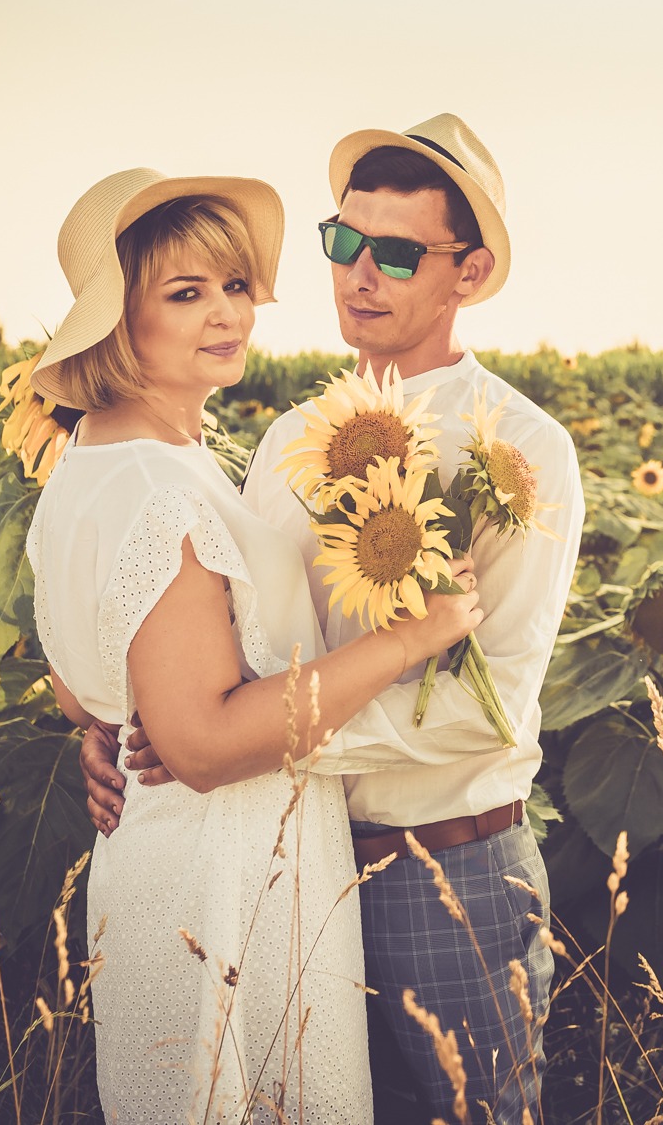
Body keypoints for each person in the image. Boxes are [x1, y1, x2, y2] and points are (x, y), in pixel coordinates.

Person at [81, 117, 584, 1123]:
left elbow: (489, 707)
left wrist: (238, 742)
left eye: (396, 252)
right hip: (287, 866)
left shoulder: (522, 451)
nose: (359, 272)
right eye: (342, 240)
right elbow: (225, 635)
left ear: (470, 271)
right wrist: (123, 719)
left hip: (444, 863)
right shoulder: (285, 440)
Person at [27, 168, 483, 1123]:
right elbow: (199, 745)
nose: (227, 314)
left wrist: (108, 723)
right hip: (223, 881)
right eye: (185, 294)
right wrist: (410, 638)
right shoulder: (162, 490)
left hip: (171, 864)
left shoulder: (96, 463)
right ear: (119, 322)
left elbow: (86, 687)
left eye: (235, 286)